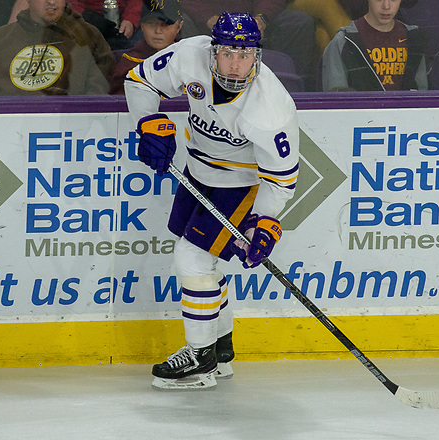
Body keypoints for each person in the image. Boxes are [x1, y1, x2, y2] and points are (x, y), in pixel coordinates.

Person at [124, 12, 299, 389]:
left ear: (258, 56)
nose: (236, 65)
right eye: (227, 54)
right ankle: (220, 349)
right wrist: (148, 122)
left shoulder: (271, 110)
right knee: (203, 267)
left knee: (192, 260)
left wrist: (264, 221)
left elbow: (282, 181)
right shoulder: (189, 56)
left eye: (245, 55)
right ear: (212, 51)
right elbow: (139, 80)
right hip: (196, 172)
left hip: (241, 186)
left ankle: (200, 357)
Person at [0, 0, 115, 96]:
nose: (51, 2)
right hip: (9, 133)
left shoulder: (88, 36)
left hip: (72, 134)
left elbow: (100, 95)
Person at [178, 0, 318, 91]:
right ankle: (194, 87)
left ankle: (290, 88)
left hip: (254, 22)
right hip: (206, 25)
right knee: (181, 22)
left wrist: (261, 19)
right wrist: (208, 18)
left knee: (299, 22)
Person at [320, 0, 428, 91]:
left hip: (404, 115)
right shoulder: (344, 41)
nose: (386, 6)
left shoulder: (413, 39)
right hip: (361, 115)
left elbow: (421, 94)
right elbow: (336, 100)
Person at [109, 0, 182, 95]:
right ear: (142, 26)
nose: (158, 30)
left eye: (166, 24)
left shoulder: (189, 58)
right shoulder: (128, 64)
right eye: (151, 23)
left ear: (179, 26)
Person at [68, 0, 143, 50]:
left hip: (123, 19)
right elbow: (70, 3)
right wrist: (87, 17)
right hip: (88, 20)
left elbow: (135, 2)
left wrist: (130, 19)